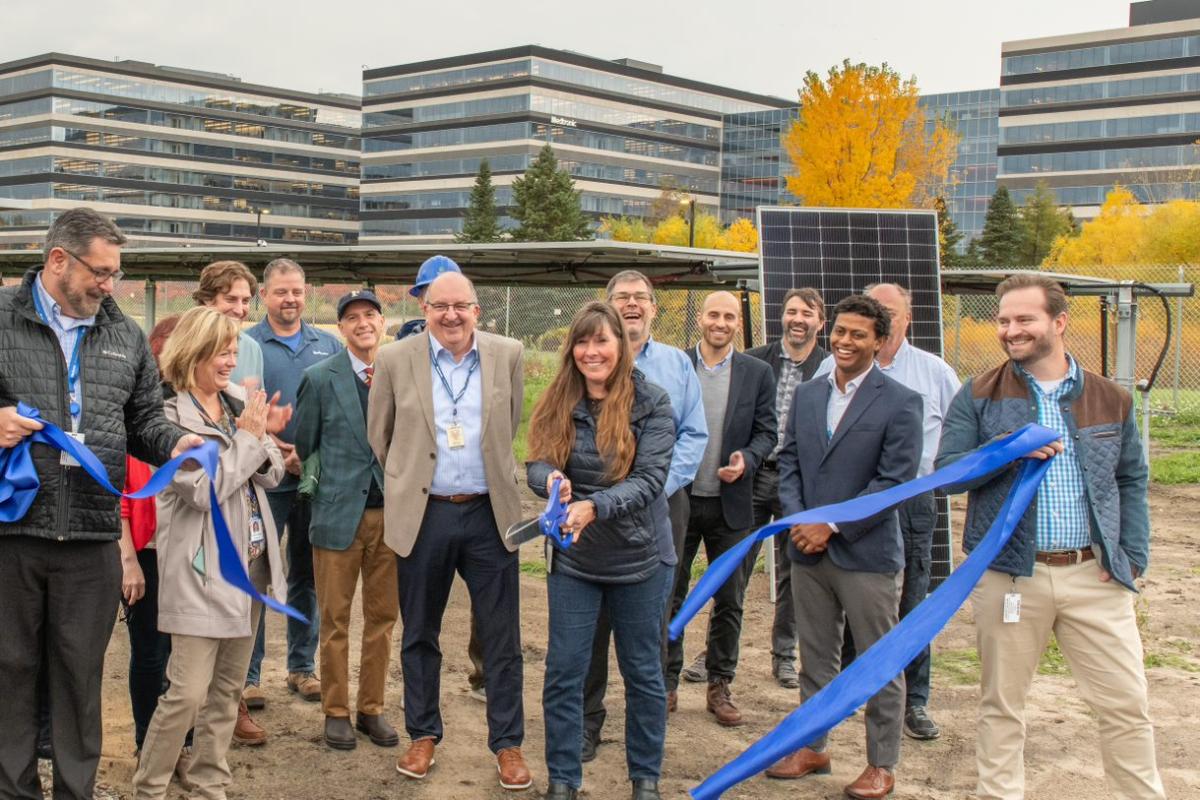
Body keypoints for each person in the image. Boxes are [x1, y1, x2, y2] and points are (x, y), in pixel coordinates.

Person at [936, 274, 1165, 800]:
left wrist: (1131, 555)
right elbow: (948, 474)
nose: (1010, 330)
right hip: (1013, 575)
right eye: (1003, 320)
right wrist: (1005, 449)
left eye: (1024, 319)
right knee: (1002, 706)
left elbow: (1132, 479)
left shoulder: (1111, 399)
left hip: (1096, 576)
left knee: (1126, 706)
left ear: (1058, 323)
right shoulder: (977, 395)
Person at [0, 208, 203, 800]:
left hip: (91, 536)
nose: (109, 285)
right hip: (14, 530)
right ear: (58, 260)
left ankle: (74, 790)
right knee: (11, 671)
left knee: (78, 675)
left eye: (116, 274)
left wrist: (177, 441)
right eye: (102, 271)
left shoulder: (123, 336)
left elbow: (143, 422)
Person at [368, 271, 531, 790]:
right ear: (425, 308)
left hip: (489, 514)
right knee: (420, 633)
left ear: (478, 310)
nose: (452, 316)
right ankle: (422, 735)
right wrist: (411, 478)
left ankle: (507, 745)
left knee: (502, 637)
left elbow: (511, 420)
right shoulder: (396, 359)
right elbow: (382, 436)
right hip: (425, 512)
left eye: (462, 306)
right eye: (441, 306)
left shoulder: (508, 354)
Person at [765, 294, 922, 800]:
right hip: (807, 553)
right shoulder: (810, 395)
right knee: (816, 658)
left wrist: (831, 524)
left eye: (859, 334)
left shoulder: (900, 401)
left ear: (880, 342)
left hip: (865, 555)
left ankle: (881, 763)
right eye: (840, 332)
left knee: (879, 661)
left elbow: (894, 481)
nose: (845, 341)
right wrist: (801, 520)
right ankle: (814, 746)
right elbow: (788, 461)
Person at [131, 305, 287, 800]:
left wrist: (259, 441)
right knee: (187, 693)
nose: (230, 360)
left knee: (227, 690)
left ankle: (208, 781)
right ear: (193, 352)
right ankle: (150, 786)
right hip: (201, 572)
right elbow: (201, 488)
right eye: (221, 350)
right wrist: (249, 440)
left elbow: (276, 471)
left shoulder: (240, 401)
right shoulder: (167, 417)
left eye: (234, 349)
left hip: (252, 568)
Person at [527, 301, 676, 800]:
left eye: (602, 341)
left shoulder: (652, 403)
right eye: (583, 342)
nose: (592, 352)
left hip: (639, 563)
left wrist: (594, 506)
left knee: (643, 674)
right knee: (564, 672)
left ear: (622, 345)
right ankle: (564, 781)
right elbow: (537, 460)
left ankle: (645, 780)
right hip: (575, 561)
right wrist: (548, 478)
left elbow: (651, 481)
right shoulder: (557, 401)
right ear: (572, 349)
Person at [583, 269, 707, 761]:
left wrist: (654, 484)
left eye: (641, 298)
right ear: (608, 306)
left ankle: (645, 734)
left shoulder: (677, 365)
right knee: (589, 623)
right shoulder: (586, 362)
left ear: (654, 309)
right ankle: (587, 723)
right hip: (591, 505)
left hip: (661, 504)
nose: (632, 304)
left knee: (651, 619)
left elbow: (694, 434)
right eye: (622, 298)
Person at [294, 290, 400, 751]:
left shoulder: (401, 375)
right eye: (352, 317)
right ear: (341, 328)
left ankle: (370, 708)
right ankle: (335, 711)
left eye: (370, 315)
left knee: (382, 619)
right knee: (334, 618)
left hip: (392, 519)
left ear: (383, 322)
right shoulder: (319, 378)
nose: (362, 323)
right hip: (338, 517)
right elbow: (305, 442)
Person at [666, 291, 776, 726]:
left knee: (730, 598)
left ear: (736, 324)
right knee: (670, 593)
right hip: (681, 500)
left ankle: (719, 684)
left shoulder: (757, 373)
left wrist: (747, 459)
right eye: (714, 314)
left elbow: (767, 432)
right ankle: (667, 681)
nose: (721, 322)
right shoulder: (676, 366)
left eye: (729, 316)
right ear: (701, 319)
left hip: (733, 504)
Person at [859, 282, 961, 741]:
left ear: (907, 319)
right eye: (875, 310)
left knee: (911, 602)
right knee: (855, 599)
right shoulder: (837, 366)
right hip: (857, 501)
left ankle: (913, 701)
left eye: (891, 312)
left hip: (913, 501)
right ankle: (856, 690)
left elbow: (961, 435)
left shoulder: (935, 372)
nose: (883, 318)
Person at [244, 258, 341, 729]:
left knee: (308, 574)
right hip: (264, 479)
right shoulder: (246, 346)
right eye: (281, 291)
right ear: (264, 296)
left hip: (314, 481)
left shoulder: (329, 345)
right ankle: (249, 672)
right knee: (259, 573)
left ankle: (302, 668)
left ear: (308, 294)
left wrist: (311, 455)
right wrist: (278, 451)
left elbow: (341, 411)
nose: (290, 299)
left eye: (298, 291)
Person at [118, 315, 197, 784]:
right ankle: (148, 745)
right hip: (145, 548)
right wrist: (127, 558)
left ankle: (182, 746)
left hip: (185, 547)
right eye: (165, 348)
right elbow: (117, 490)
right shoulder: (136, 412)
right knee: (149, 652)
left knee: (183, 654)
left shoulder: (197, 410)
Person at [742, 286, 829, 689]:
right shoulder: (755, 362)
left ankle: (784, 656)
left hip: (799, 482)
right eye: (792, 311)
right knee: (736, 564)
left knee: (794, 569)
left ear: (820, 322)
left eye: (807, 313)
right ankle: (717, 653)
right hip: (755, 474)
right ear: (782, 316)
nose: (798, 319)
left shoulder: (829, 368)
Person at [193, 260, 265, 389]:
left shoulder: (252, 348)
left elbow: (256, 403)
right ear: (207, 299)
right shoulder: (182, 343)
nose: (239, 310)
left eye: (245, 301)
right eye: (231, 299)